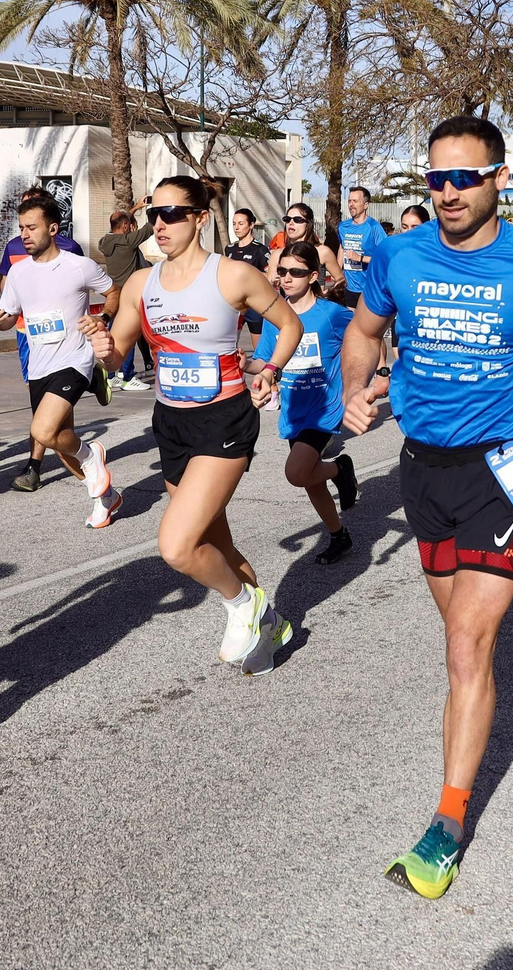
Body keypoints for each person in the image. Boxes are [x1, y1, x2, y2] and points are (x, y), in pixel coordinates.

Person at [341, 115, 513, 901]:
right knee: (453, 624)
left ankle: (446, 824)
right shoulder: (399, 254)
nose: (448, 191)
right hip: (424, 468)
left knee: (466, 648)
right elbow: (363, 330)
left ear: (499, 179)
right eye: (436, 178)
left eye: (465, 177)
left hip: (500, 465)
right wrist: (356, 388)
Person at [82, 174, 304, 675]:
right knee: (215, 543)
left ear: (200, 218)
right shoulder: (141, 283)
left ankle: (241, 607)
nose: (159, 224)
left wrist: (269, 370)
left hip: (224, 418)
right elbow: (116, 356)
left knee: (178, 545)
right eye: (153, 215)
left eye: (172, 213)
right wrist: (102, 347)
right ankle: (269, 622)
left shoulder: (231, 276)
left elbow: (290, 325)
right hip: (171, 423)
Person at [0, 194, 123, 527]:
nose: (24, 235)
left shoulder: (78, 264)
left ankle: (92, 456)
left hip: (74, 359)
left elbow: (114, 292)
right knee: (60, 442)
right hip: (39, 364)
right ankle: (105, 497)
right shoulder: (18, 274)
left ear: (53, 228)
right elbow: (9, 319)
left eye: (31, 227)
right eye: (20, 229)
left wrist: (102, 317)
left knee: (42, 430)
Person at [244, 241, 360, 564]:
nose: (286, 278)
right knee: (310, 480)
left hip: (324, 409)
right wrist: (245, 365)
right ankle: (339, 534)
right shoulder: (275, 317)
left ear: (312, 276)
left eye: (295, 272)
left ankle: (339, 469)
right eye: (281, 271)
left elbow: (365, 338)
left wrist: (361, 380)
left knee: (296, 472)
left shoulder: (333, 315)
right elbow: (265, 361)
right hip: (294, 410)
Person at [97, 202, 155, 391]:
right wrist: (154, 208)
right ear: (125, 227)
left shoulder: (105, 241)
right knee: (128, 334)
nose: (130, 228)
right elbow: (150, 228)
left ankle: (112, 375)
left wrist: (135, 208)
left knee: (114, 334)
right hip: (128, 296)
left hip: (113, 295)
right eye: (128, 225)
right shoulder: (128, 242)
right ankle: (128, 377)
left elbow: (118, 222)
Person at [226, 207, 274, 352]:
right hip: (234, 305)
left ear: (251, 225)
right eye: (234, 224)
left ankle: (266, 373)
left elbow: (270, 277)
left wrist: (250, 278)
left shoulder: (260, 250)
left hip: (254, 305)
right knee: (229, 347)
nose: (236, 227)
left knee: (259, 350)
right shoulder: (229, 249)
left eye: (241, 223)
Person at [337, 185, 388, 309]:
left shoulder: (374, 227)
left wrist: (359, 258)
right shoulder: (343, 227)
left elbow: (385, 257)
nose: (351, 204)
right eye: (349, 201)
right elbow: (342, 248)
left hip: (369, 287)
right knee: (350, 324)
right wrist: (338, 274)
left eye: (355, 201)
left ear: (366, 205)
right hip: (349, 287)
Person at [275, 201, 341, 293]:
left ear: (308, 224)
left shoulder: (322, 252)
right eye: (287, 219)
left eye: (297, 219)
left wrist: (326, 296)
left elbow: (341, 280)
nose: (291, 223)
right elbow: (269, 284)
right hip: (286, 306)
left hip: (316, 306)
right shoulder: (278, 253)